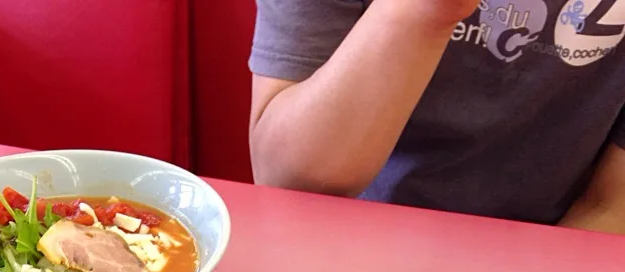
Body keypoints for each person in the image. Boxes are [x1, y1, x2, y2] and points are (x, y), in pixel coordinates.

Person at [248, 0, 625, 232]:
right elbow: (286, 179)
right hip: (347, 242)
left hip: (556, 264)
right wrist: (427, 8)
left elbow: (610, 206)